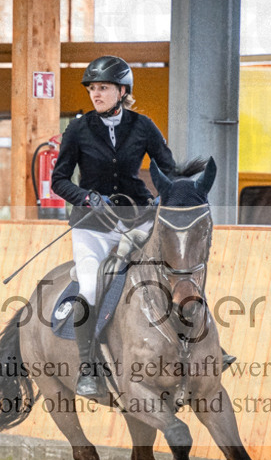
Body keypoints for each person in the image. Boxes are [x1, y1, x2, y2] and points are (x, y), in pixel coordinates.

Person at [51, 55, 177, 397]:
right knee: (90, 286)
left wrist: (161, 199)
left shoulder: (143, 126)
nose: (96, 94)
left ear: (123, 91)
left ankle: (198, 351)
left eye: (103, 88)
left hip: (135, 223)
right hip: (92, 227)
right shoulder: (78, 129)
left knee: (174, 275)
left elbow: (169, 170)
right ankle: (88, 368)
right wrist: (86, 197)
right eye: (93, 88)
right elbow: (59, 180)